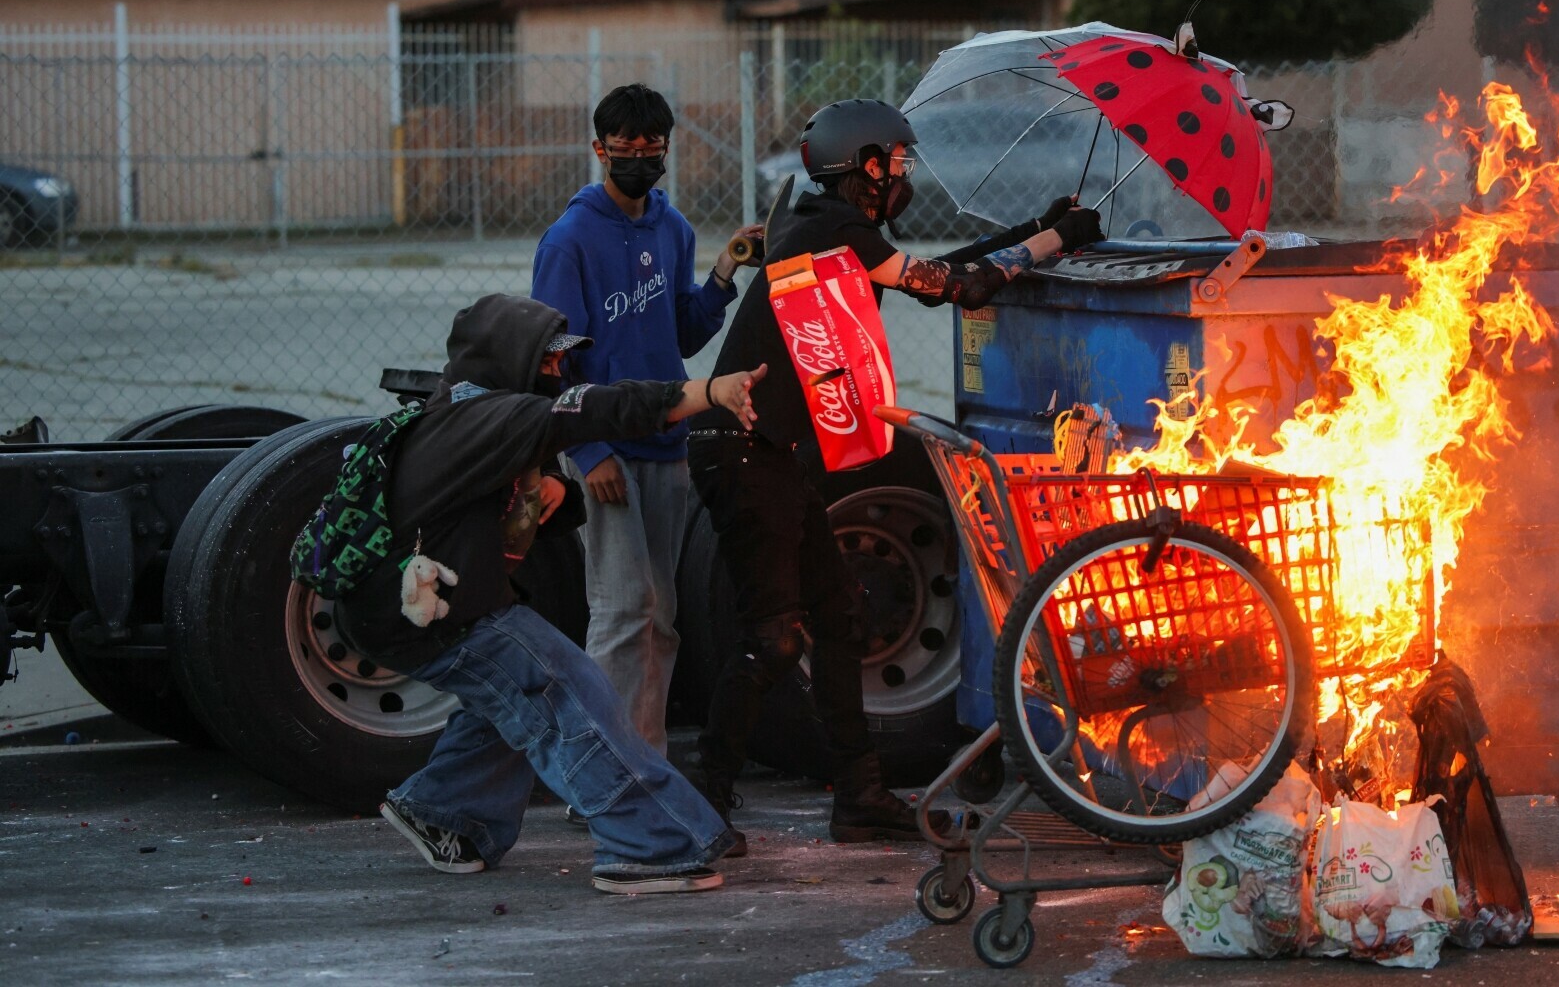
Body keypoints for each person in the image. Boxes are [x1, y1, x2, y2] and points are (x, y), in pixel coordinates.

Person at [688, 98, 1105, 855]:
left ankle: (860, 797)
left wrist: (1035, 229)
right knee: (777, 638)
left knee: (839, 619)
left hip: (767, 450)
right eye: (895, 162)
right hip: (742, 447)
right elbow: (958, 288)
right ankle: (698, 803)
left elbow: (944, 270)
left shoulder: (823, 221)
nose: (903, 176)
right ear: (864, 167)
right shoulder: (828, 229)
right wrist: (1056, 239)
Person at [333, 292, 767, 895]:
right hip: (430, 613)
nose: (559, 372)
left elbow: (491, 510)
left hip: (403, 607)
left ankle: (442, 810)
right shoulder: (490, 416)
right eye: (547, 361)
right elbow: (600, 409)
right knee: (569, 688)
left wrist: (551, 499)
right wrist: (710, 391)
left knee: (511, 696)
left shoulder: (457, 408)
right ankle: (647, 846)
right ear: (508, 358)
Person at [529, 83, 761, 763]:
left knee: (658, 613)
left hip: (667, 441)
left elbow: (679, 335)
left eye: (650, 148)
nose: (637, 158)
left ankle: (644, 763)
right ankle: (600, 768)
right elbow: (553, 362)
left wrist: (723, 272)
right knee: (623, 609)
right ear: (599, 149)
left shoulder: (673, 228)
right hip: (607, 450)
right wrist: (591, 449)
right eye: (623, 148)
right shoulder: (569, 239)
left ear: (665, 150)